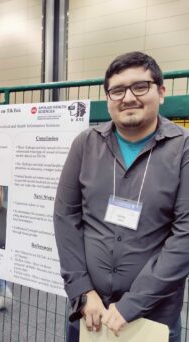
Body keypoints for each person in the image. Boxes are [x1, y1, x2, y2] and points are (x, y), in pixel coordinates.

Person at [54, 51, 189, 342]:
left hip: (152, 317)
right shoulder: (85, 145)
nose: (128, 98)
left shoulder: (183, 149)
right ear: (108, 98)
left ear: (161, 91)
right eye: (117, 90)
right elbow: (66, 216)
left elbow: (186, 234)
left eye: (140, 87)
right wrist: (81, 290)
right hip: (90, 312)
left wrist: (133, 303)